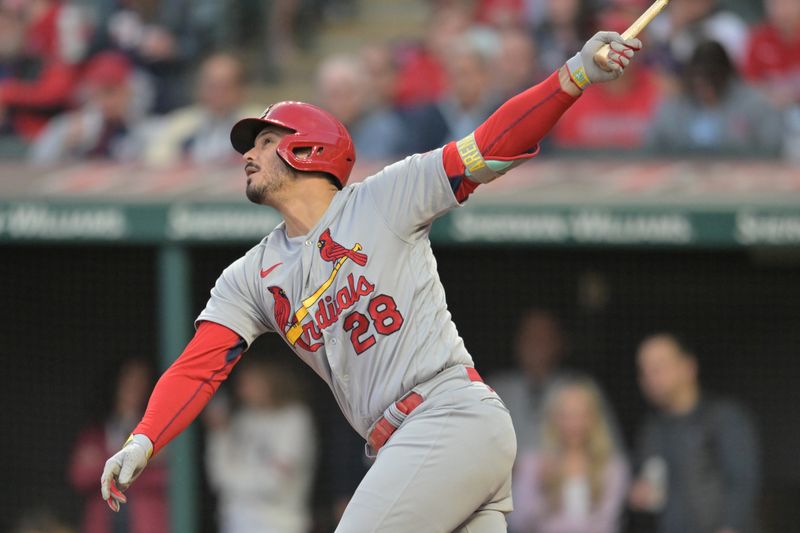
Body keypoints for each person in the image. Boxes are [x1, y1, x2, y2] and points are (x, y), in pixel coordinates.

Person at [99, 29, 643, 532]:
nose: (248, 154)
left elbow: (488, 148)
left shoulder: (384, 198)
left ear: (307, 149)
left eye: (265, 142)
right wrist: (144, 440)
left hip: (446, 415)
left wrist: (573, 75)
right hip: (406, 444)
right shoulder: (251, 277)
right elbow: (197, 369)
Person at [629, 333, 760, 533]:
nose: (650, 377)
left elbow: (743, 481)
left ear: (688, 367)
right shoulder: (652, 427)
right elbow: (647, 479)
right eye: (644, 370)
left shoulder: (723, 417)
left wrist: (731, 526)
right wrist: (639, 492)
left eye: (658, 367)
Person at [204, 356, 316, 533]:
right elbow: (218, 476)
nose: (243, 391)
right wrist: (220, 433)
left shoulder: (295, 418)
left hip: (280, 524)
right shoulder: (243, 418)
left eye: (250, 383)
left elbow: (275, 483)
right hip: (235, 522)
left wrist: (234, 478)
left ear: (270, 381)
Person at [509, 376, 629, 533]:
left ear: (594, 419)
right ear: (553, 418)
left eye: (581, 415)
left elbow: (607, 524)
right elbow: (517, 522)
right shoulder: (533, 463)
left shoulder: (612, 467)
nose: (573, 424)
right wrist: (544, 495)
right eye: (565, 416)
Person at [68, 359, 167, 533]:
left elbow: (171, 477)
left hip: (147, 522)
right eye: (129, 380)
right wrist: (142, 462)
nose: (133, 387)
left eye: (140, 381)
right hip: (104, 522)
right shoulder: (96, 432)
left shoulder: (160, 430)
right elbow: (79, 476)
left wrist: (108, 463)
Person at [648, 41, 783, 157]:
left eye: (711, 82)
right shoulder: (675, 104)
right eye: (699, 83)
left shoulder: (755, 104)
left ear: (726, 77)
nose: (705, 90)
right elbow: (652, 146)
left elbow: (772, 149)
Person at [29, 51, 152, 164]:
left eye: (111, 92)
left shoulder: (144, 129)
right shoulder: (70, 125)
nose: (106, 102)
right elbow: (36, 163)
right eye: (98, 93)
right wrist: (65, 145)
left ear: (128, 92)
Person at [142, 53, 260, 166]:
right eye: (211, 86)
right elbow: (155, 161)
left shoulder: (260, 124)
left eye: (225, 86)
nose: (218, 93)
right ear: (199, 88)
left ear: (241, 90)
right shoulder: (179, 124)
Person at [490, 309, 571, 455]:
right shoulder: (493, 389)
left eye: (544, 337)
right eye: (530, 336)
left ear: (559, 343)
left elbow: (607, 451)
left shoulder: (577, 389)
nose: (536, 344)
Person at [315, 53, 405, 162]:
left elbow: (370, 172)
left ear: (362, 92)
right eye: (334, 94)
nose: (341, 102)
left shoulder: (382, 127)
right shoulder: (314, 130)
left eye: (348, 92)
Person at [743, 0, 800, 109]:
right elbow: (749, 83)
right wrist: (770, 94)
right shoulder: (758, 39)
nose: (780, 10)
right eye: (774, 3)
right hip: (772, 111)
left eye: (786, 3)